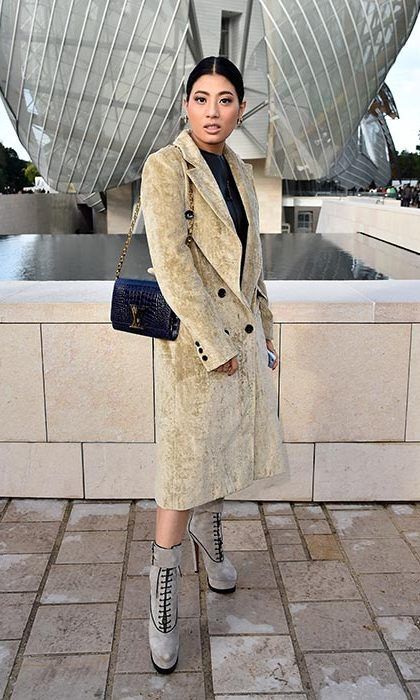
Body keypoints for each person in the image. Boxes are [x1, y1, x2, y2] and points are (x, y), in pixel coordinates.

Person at [140, 55, 290, 674]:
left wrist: (266, 334)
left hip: (241, 337)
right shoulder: (165, 166)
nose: (212, 111)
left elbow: (252, 265)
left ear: (240, 109)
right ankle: (163, 597)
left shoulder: (237, 168)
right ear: (184, 105)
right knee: (181, 466)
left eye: (225, 100)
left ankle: (212, 533)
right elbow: (171, 262)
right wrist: (216, 344)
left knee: (223, 448)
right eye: (201, 98)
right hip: (195, 347)